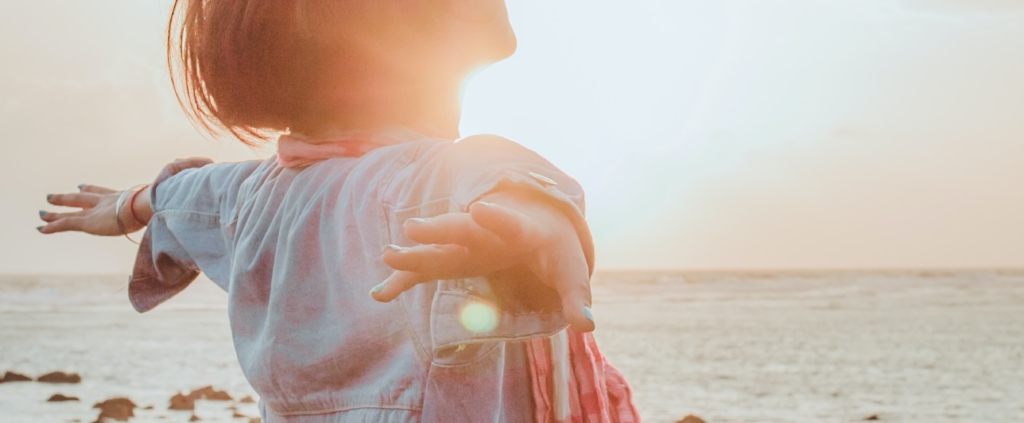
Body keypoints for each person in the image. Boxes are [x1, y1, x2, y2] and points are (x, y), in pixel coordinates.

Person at [37, 1, 639, 422]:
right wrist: (533, 225)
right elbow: (498, 178)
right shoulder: (423, 179)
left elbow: (180, 196)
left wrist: (124, 207)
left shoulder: (249, 195)